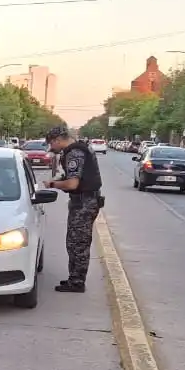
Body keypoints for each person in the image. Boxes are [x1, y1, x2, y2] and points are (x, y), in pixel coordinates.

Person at [42, 125, 103, 294]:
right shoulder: (80, 148)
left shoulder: (74, 153)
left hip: (84, 203)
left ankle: (77, 282)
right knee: (75, 242)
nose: (51, 148)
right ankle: (74, 278)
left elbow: (72, 184)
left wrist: (53, 184)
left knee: (78, 243)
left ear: (57, 140)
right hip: (85, 201)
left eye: (51, 144)